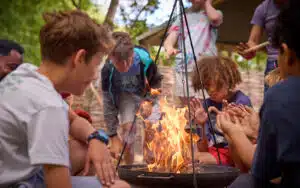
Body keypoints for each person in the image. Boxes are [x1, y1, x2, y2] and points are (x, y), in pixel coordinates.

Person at [0, 10, 130, 188]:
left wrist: (95, 139)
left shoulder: (27, 73)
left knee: (85, 151)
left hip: (14, 169)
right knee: (121, 187)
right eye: (96, 64)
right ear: (80, 58)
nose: (95, 76)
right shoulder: (48, 107)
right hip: (17, 183)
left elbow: (74, 120)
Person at [219, 1, 300, 187]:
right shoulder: (264, 9)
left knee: (245, 182)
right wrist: (258, 131)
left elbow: (263, 171)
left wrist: (233, 131)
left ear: (286, 54)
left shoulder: (281, 95)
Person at [101, 31, 162, 165]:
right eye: (119, 63)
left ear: (132, 52)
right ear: (110, 57)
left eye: (128, 60)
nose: (125, 66)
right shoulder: (107, 70)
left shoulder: (144, 59)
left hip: (146, 94)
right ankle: (128, 168)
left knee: (152, 127)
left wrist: (150, 102)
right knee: (128, 133)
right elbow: (108, 103)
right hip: (125, 96)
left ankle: (151, 164)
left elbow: (157, 82)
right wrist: (112, 135)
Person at [188, 56, 252, 166]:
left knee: (199, 160)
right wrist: (201, 125)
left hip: (235, 154)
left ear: (229, 81)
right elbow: (203, 149)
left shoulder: (241, 101)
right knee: (190, 157)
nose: (212, 92)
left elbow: (246, 143)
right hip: (213, 152)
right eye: (207, 88)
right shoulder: (206, 105)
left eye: (217, 87)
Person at [164, 0, 223, 107]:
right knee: (185, 107)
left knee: (203, 104)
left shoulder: (213, 13)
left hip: (205, 69)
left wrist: (207, 3)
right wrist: (169, 47)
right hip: (183, 67)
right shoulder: (182, 17)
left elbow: (215, 18)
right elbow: (170, 38)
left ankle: (201, 122)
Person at [237, 0, 288, 93]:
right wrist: (249, 50)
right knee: (273, 103)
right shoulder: (263, 8)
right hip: (274, 64)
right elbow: (253, 41)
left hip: (296, 60)